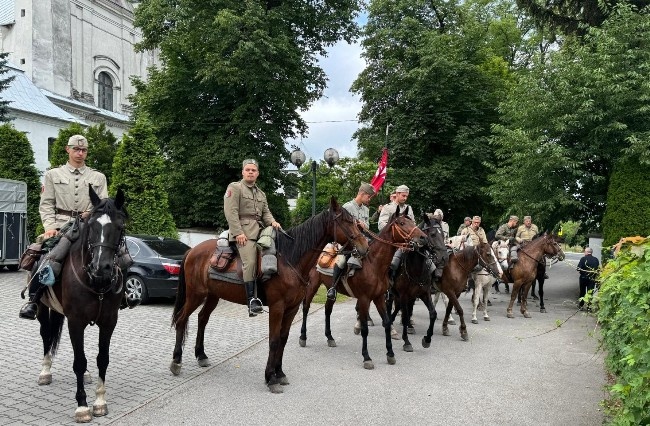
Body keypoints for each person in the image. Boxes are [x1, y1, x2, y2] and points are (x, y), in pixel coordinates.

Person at [19, 135, 111, 319]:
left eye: (83, 150)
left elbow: (103, 206)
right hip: (61, 226)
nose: (80, 153)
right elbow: (46, 204)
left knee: (118, 253)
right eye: (76, 149)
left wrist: (91, 216)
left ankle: (121, 295)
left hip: (89, 226)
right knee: (47, 257)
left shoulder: (98, 177)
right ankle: (33, 300)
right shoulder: (53, 175)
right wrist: (50, 227)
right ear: (67, 150)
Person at [224, 159, 282, 316]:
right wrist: (238, 233)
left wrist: (273, 222)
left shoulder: (261, 193)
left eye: (253, 170)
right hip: (243, 234)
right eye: (248, 169)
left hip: (260, 233)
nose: (250, 172)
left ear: (257, 173)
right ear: (243, 172)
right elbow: (231, 212)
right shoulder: (235, 188)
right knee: (250, 261)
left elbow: (266, 214)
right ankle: (251, 300)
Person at [327, 183, 375, 300]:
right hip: (348, 241)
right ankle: (332, 288)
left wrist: (364, 226)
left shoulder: (366, 210)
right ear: (362, 194)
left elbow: (367, 227)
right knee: (342, 260)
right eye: (369, 197)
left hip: (363, 240)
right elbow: (342, 225)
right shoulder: (347, 207)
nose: (369, 199)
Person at [377, 185, 415, 285]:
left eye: (406, 196)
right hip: (392, 242)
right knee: (393, 263)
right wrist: (396, 231)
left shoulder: (408, 208)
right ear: (397, 194)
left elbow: (413, 224)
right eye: (403, 195)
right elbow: (381, 225)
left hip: (407, 241)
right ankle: (389, 281)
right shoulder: (388, 208)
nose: (405, 198)